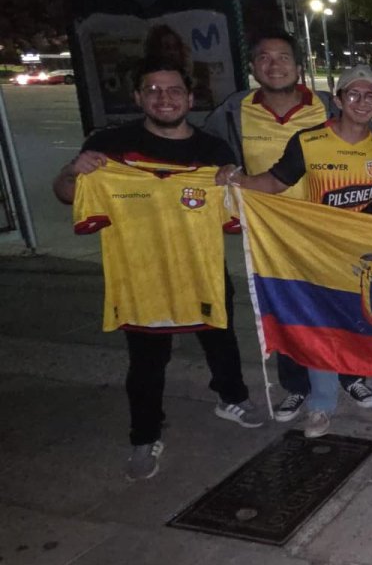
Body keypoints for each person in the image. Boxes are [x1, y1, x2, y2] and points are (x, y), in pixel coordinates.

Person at [52, 57, 264, 481]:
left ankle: (231, 397)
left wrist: (232, 182)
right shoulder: (109, 148)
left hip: (201, 270)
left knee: (221, 341)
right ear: (138, 97)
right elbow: (65, 195)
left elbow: (234, 216)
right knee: (147, 362)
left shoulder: (211, 151)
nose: (164, 98)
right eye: (153, 90)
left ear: (189, 97)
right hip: (141, 278)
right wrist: (73, 171)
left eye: (173, 91)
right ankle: (144, 435)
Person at [217, 65, 372, 438]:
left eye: (370, 96)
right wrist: (236, 179)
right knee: (324, 332)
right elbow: (273, 182)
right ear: (337, 99)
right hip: (322, 255)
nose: (361, 102)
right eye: (353, 94)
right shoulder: (308, 141)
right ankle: (321, 405)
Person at [203, 30, 372, 423]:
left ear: (299, 67)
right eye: (264, 57)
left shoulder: (328, 106)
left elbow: (371, 143)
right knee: (285, 309)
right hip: (270, 234)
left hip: (327, 231)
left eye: (283, 58)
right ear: (252, 66)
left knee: (342, 305)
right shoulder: (235, 109)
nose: (274, 65)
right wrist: (224, 171)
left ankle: (351, 375)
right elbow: (205, 146)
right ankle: (297, 386)